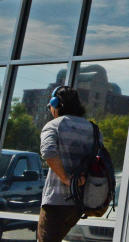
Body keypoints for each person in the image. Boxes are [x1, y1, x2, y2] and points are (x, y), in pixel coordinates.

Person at [38, 85, 98, 242]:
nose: (50, 109)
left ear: (56, 103)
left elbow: (48, 152)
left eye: (50, 106)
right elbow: (97, 159)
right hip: (80, 203)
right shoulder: (93, 129)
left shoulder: (54, 125)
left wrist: (66, 179)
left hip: (56, 201)